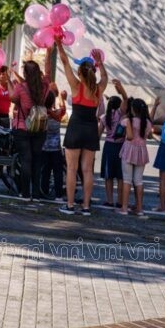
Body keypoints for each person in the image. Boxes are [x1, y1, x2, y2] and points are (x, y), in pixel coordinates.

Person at [56, 39, 108, 216]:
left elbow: (64, 61)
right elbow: (105, 78)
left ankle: (70, 205)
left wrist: (58, 43)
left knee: (71, 169)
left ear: (80, 72)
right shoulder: (98, 90)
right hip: (91, 130)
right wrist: (100, 63)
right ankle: (86, 207)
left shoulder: (76, 86)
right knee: (87, 170)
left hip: (76, 128)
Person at [11, 58, 54, 201]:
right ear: (38, 73)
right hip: (40, 128)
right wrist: (49, 53)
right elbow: (48, 74)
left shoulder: (20, 88)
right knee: (37, 160)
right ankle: (36, 193)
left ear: (25, 73)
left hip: (23, 127)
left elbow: (13, 98)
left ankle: (25, 193)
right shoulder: (45, 86)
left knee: (26, 160)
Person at [118, 99, 152, 217]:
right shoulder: (147, 122)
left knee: (127, 179)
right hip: (141, 151)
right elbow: (148, 135)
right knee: (138, 180)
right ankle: (139, 208)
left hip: (129, 150)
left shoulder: (128, 120)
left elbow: (129, 136)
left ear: (132, 109)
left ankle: (124, 208)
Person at [99, 83, 127, 208]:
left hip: (108, 146)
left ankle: (109, 200)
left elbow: (98, 134)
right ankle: (120, 201)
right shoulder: (120, 114)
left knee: (108, 175)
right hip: (121, 146)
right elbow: (126, 100)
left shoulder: (105, 117)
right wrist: (121, 90)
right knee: (120, 176)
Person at [41, 85, 66, 201]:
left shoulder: (41, 114)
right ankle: (59, 195)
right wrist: (62, 97)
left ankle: (44, 192)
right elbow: (63, 108)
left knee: (45, 172)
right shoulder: (58, 113)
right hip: (56, 149)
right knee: (58, 173)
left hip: (44, 148)